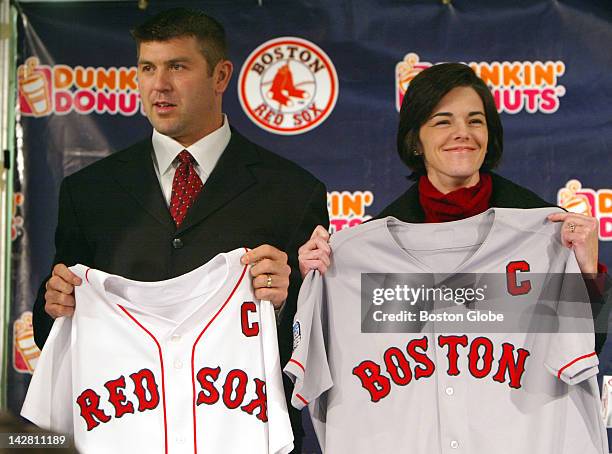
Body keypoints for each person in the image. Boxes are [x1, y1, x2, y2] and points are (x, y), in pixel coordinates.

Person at [32, 8, 328, 452]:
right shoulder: (88, 192)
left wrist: (285, 305)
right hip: (126, 435)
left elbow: (315, 343)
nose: (159, 85)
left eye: (177, 66)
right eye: (147, 68)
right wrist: (55, 305)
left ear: (221, 75)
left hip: (244, 436)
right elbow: (50, 327)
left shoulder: (292, 190)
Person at [299, 62, 609, 350]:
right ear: (415, 141)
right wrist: (317, 283)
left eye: (475, 120)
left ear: (489, 135)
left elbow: (585, 348)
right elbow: (358, 351)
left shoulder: (545, 229)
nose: (462, 132)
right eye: (442, 121)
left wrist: (588, 275)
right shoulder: (371, 248)